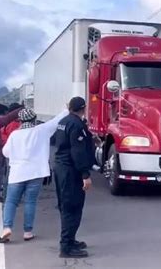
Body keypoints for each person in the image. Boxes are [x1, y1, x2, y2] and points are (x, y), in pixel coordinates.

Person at [0, 107, 68, 243]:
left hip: (17, 173)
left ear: (20, 120)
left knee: (11, 202)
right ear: (34, 119)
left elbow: (5, 152)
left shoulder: (14, 135)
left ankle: (7, 228)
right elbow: (55, 121)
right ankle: (28, 231)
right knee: (30, 202)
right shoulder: (41, 130)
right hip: (36, 172)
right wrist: (66, 109)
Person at [53, 97, 97, 258]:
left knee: (67, 206)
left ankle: (71, 240)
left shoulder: (64, 121)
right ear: (83, 108)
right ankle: (66, 247)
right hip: (70, 170)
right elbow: (77, 151)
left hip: (61, 168)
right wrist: (85, 174)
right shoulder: (76, 124)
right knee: (72, 207)